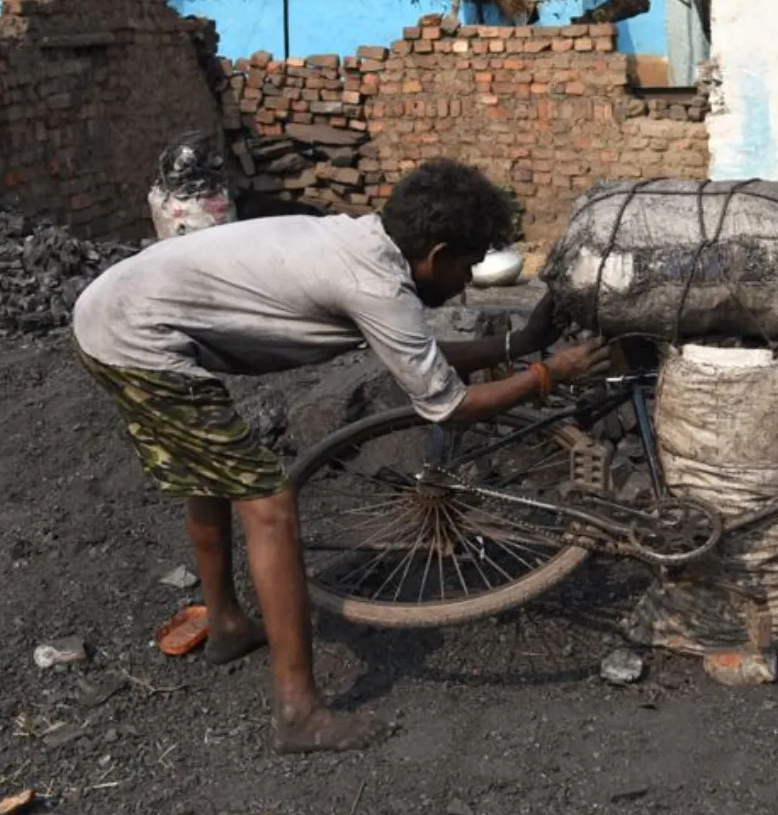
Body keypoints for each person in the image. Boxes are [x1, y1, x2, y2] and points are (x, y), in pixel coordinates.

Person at [70, 159, 607, 753]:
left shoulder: (362, 243)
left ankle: (225, 625)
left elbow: (415, 355)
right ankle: (299, 711)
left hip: (116, 310)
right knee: (269, 500)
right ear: (436, 251)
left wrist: (518, 344)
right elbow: (447, 405)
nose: (464, 283)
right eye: (465, 264)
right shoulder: (376, 283)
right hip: (137, 338)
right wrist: (547, 374)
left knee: (214, 469)